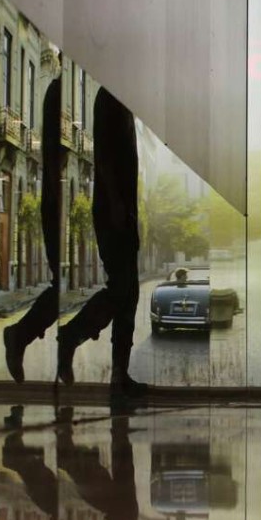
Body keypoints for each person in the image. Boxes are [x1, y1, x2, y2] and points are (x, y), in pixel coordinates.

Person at [57, 87, 145, 396]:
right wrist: (118, 206)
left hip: (123, 212)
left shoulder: (123, 101)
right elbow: (105, 158)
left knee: (129, 294)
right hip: (113, 212)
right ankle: (71, 336)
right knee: (122, 291)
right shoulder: (110, 96)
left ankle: (119, 375)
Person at [3, 77, 62, 383]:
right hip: (59, 203)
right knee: (65, 285)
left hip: (60, 202)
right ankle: (22, 335)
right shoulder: (59, 92)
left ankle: (23, 335)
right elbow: (54, 159)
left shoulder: (63, 90)